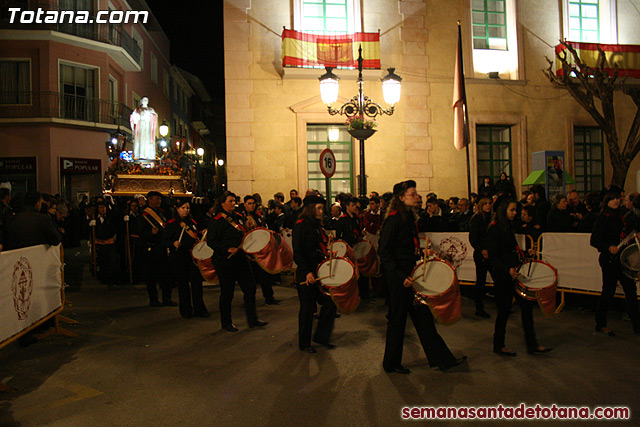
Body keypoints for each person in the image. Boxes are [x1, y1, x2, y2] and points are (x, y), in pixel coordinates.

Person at [379, 180, 466, 374]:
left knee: (423, 318)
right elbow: (384, 252)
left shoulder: (408, 218)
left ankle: (442, 358)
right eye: (412, 194)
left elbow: (405, 248)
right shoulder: (393, 220)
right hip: (400, 279)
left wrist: (420, 254)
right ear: (401, 198)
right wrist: (401, 276)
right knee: (398, 320)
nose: (417, 197)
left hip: (411, 275)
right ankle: (391, 364)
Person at [488, 198, 551, 356]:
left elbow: (510, 249)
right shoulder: (495, 229)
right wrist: (507, 270)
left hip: (514, 272)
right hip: (504, 276)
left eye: (516, 210)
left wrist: (523, 253)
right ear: (503, 210)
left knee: (527, 307)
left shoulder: (508, 226)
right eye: (512, 210)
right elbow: (494, 257)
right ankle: (499, 344)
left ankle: (532, 344)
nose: (515, 213)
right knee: (503, 311)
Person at [207, 191, 267, 332]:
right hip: (225, 261)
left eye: (234, 201)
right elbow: (211, 241)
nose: (234, 203)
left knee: (250, 287)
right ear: (222, 203)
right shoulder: (216, 221)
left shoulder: (238, 217)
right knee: (227, 292)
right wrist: (227, 249)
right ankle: (226, 322)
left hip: (240, 258)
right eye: (230, 201)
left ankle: (253, 319)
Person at [590, 188, 640, 336]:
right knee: (608, 292)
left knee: (631, 291)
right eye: (613, 199)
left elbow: (628, 234)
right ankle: (600, 324)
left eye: (617, 198)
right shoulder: (602, 219)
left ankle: (637, 325)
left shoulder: (622, 217)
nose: (616, 201)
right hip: (609, 260)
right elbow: (594, 240)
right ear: (606, 201)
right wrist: (608, 247)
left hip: (623, 260)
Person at [292, 195, 337, 353]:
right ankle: (304, 344)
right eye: (318, 208)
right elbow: (297, 253)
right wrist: (307, 272)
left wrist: (328, 253)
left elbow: (319, 246)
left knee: (330, 303)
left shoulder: (317, 225)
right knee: (307, 308)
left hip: (319, 272)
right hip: (307, 275)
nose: (321, 211)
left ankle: (321, 337)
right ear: (310, 209)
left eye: (321, 208)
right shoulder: (301, 225)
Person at [163, 200, 208, 319]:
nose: (186, 210)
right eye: (183, 208)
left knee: (196, 283)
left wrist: (201, 234)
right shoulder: (172, 224)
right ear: (177, 209)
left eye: (187, 208)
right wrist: (173, 243)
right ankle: (186, 310)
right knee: (183, 285)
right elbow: (164, 240)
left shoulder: (192, 223)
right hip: (179, 257)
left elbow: (195, 237)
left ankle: (200, 309)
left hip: (192, 257)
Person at [136, 191, 176, 307]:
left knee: (166, 275)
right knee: (151, 276)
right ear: (150, 200)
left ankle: (166, 298)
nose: (158, 201)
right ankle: (153, 299)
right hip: (151, 249)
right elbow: (140, 234)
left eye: (159, 199)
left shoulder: (161, 213)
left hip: (162, 248)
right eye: (156, 199)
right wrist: (151, 233)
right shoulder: (144, 215)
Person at [243, 194, 280, 305]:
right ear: (245, 204)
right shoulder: (242, 217)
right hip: (249, 249)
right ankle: (249, 301)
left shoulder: (258, 215)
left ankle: (269, 297)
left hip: (261, 248)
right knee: (249, 279)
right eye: (249, 203)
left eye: (253, 203)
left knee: (265, 274)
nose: (252, 206)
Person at [469, 197, 493, 318]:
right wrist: (481, 250)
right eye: (486, 204)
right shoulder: (477, 218)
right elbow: (473, 238)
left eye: (489, 204)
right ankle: (479, 308)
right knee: (481, 281)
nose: (488, 206)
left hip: (492, 252)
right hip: (481, 253)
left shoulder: (492, 218)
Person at [130, 96, 158, 161]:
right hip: (141, 126)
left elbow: (154, 116)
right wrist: (138, 116)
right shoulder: (137, 110)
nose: (145, 101)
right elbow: (133, 118)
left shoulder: (151, 110)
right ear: (141, 101)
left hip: (148, 126)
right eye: (144, 100)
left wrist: (149, 114)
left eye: (146, 100)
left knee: (148, 139)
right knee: (140, 140)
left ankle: (149, 155)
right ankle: (140, 154)